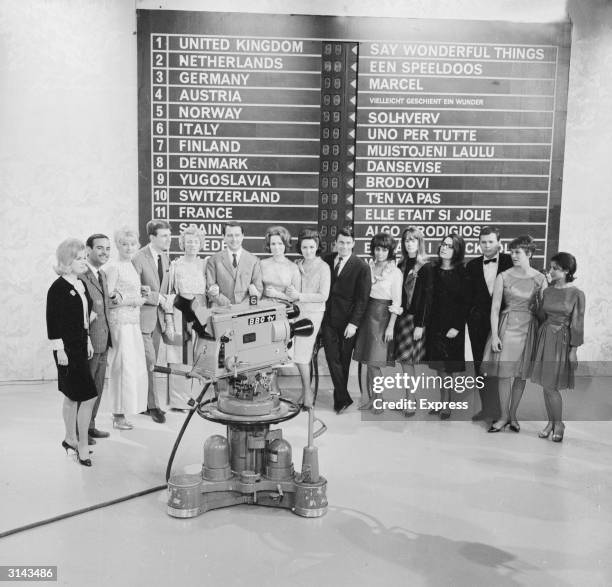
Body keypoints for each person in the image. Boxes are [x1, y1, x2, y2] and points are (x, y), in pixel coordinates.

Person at [482, 235, 547, 433]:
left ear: (529, 253)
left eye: (517, 252)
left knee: (520, 376)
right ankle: (503, 417)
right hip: (507, 327)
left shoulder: (540, 278)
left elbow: (544, 310)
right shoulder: (504, 276)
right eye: (511, 252)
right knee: (504, 375)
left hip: (530, 329)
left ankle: (513, 415)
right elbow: (494, 309)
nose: (513, 255)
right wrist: (495, 336)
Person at [46, 238, 97, 467]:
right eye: (79, 258)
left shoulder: (81, 283)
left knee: (74, 396)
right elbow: (52, 321)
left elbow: (85, 318)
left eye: (85, 257)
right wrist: (60, 351)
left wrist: (87, 341)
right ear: (67, 261)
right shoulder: (57, 288)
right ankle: (82, 445)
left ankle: (70, 439)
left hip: (80, 345)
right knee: (86, 396)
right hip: (66, 349)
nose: (84, 261)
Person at [531, 253, 585, 443]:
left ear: (567, 271)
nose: (550, 271)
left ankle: (559, 423)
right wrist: (537, 297)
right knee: (546, 386)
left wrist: (573, 351)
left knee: (551, 386)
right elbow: (541, 316)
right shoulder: (548, 291)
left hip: (562, 341)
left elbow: (577, 324)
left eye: (555, 268)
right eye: (551, 267)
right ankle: (551, 422)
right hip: (545, 337)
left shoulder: (577, 294)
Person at [321, 228, 371, 414]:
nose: (344, 246)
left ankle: (340, 397)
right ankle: (343, 397)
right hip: (327, 319)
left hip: (348, 321)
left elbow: (362, 299)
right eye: (341, 242)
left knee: (343, 359)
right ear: (336, 242)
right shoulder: (326, 260)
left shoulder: (361, 266)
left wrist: (354, 324)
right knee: (331, 357)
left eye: (348, 243)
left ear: (353, 244)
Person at [465, 227, 513, 422]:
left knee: (500, 368)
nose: (486, 245)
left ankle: (503, 413)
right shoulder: (472, 265)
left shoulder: (511, 262)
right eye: (483, 242)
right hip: (478, 325)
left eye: (490, 242)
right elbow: (466, 297)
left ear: (499, 242)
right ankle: (487, 409)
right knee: (481, 367)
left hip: (504, 323)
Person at [353, 232, 403, 415]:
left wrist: (391, 326)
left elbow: (397, 302)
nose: (380, 253)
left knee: (374, 362)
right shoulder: (368, 267)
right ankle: (371, 399)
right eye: (377, 249)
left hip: (382, 317)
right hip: (367, 315)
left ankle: (379, 400)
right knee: (367, 361)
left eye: (384, 249)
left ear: (390, 251)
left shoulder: (395, 273)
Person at [104, 227, 148, 429]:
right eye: (124, 244)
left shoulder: (130, 265)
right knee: (121, 367)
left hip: (132, 322)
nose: (129, 247)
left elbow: (128, 292)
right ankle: (117, 415)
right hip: (120, 322)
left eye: (132, 244)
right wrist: (136, 299)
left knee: (132, 366)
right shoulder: (113, 267)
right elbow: (109, 300)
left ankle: (125, 410)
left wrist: (141, 293)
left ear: (137, 245)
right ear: (117, 245)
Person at [132, 219, 174, 424]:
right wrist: (158, 298)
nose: (169, 239)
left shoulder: (165, 258)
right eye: (164, 236)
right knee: (149, 363)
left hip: (157, 322)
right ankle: (153, 406)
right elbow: (135, 289)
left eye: (169, 235)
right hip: (141, 321)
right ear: (152, 237)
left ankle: (143, 403)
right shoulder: (138, 258)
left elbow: (164, 290)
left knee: (150, 363)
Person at [424, 233, 469, 420]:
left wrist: (457, 327)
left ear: (457, 250)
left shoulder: (462, 272)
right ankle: (443, 402)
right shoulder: (432, 269)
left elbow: (466, 303)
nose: (444, 248)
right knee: (439, 368)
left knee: (447, 368)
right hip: (435, 325)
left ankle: (446, 405)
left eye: (449, 246)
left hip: (452, 327)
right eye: (443, 244)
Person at [286, 228, 330, 408]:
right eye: (305, 247)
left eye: (312, 247)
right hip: (296, 313)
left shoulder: (324, 267)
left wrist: (299, 295)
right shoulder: (297, 264)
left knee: (302, 356)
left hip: (313, 315)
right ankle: (306, 391)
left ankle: (308, 394)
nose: (308, 251)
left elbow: (323, 296)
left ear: (317, 246)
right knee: (293, 355)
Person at [166, 226, 209, 411]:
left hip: (200, 310)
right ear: (183, 243)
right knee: (180, 355)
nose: (192, 245)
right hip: (181, 311)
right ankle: (178, 401)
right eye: (189, 241)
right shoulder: (175, 265)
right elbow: (170, 293)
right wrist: (169, 318)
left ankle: (194, 398)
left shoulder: (205, 264)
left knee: (199, 354)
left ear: (201, 244)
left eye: (196, 241)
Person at [393, 226, 432, 417]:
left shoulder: (425, 266)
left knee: (408, 363)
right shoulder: (400, 265)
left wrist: (420, 324)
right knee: (403, 363)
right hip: (400, 319)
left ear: (419, 243)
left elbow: (426, 298)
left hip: (414, 321)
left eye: (413, 240)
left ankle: (411, 400)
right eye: (407, 240)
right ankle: (409, 397)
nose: (409, 243)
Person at [81, 233, 112, 443]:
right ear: (88, 250)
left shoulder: (102, 275)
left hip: (103, 341)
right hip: (90, 344)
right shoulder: (81, 276)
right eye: (100, 248)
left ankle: (90, 426)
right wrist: (86, 339)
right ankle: (79, 431)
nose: (105, 252)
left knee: (98, 388)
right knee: (86, 389)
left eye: (108, 249)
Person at [206, 222, 263, 306]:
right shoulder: (213, 260)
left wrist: (242, 307)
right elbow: (210, 290)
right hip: (221, 311)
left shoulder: (254, 261)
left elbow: (258, 291)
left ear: (242, 236)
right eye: (229, 235)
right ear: (223, 237)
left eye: (237, 235)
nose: (234, 239)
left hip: (245, 311)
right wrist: (227, 304)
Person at [260, 226, 300, 303]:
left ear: (286, 244)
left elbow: (295, 298)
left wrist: (276, 294)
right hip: (263, 308)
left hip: (284, 308)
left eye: (280, 243)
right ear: (269, 246)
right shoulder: (262, 264)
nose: (276, 247)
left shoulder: (293, 268)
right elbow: (257, 290)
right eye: (273, 244)